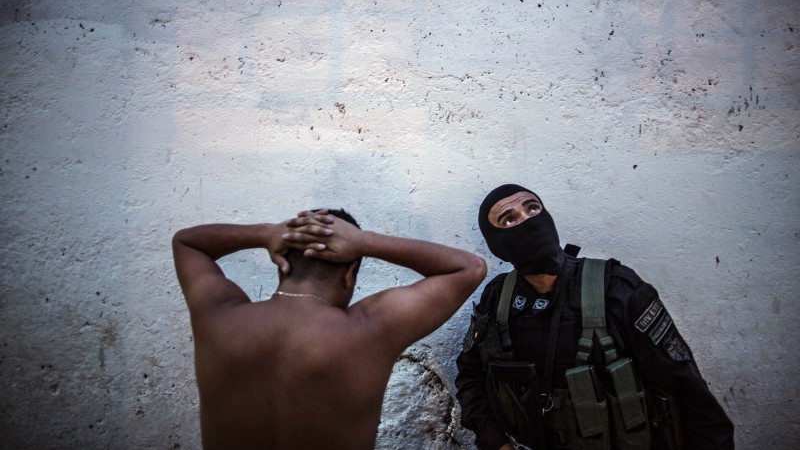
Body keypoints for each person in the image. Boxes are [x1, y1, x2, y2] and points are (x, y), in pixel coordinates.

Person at [172, 208, 486, 450]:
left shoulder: (219, 317)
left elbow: (188, 243)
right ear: (350, 273)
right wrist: (364, 241)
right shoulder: (369, 331)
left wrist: (266, 232)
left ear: (281, 259)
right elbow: (469, 268)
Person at [455, 184, 734, 450]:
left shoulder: (616, 288)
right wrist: (497, 442)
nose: (527, 220)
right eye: (508, 219)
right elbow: (470, 378)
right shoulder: (497, 300)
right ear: (497, 245)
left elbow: (691, 396)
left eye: (533, 208)